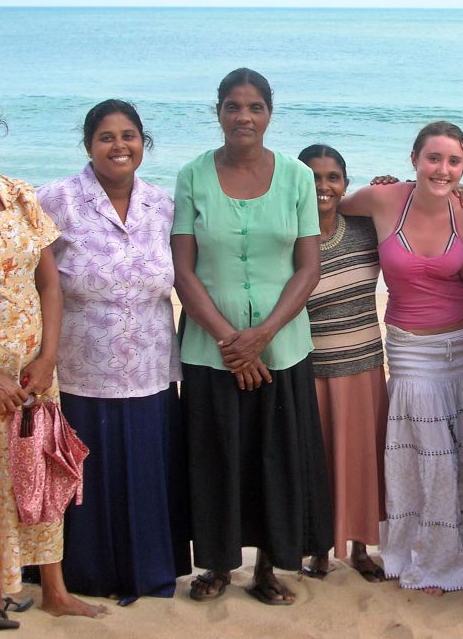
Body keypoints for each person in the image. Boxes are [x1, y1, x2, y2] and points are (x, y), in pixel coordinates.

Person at [0, 90, 105, 629]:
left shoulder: (23, 197)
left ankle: (52, 588)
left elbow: (49, 284)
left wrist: (48, 357)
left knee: (40, 471)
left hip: (32, 375)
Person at [171, 68, 332, 606]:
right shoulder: (192, 175)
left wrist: (261, 336)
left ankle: (266, 568)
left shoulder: (296, 177)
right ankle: (217, 566)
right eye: (233, 106)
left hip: (282, 349)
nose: (244, 116)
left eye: (255, 106)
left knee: (276, 459)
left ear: (270, 112)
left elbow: (307, 268)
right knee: (216, 457)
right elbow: (183, 270)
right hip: (209, 351)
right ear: (217, 111)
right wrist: (229, 341)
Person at [38, 99, 190, 603]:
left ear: (143, 144)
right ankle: (85, 578)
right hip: (80, 369)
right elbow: (21, 269)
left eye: (129, 136)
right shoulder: (54, 200)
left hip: (149, 369)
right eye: (107, 137)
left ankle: (146, 573)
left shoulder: (164, 206)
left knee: (146, 472)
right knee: (86, 479)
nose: (119, 146)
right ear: (88, 145)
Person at [339, 121, 463, 595]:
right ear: (414, 159)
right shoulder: (382, 200)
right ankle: (420, 557)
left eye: (454, 161)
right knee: (425, 460)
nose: (443, 170)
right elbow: (328, 211)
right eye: (434, 159)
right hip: (409, 349)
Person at [297, 144, 388, 583]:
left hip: (366, 364)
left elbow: (415, 210)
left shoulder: (366, 228)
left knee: (362, 461)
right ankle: (318, 548)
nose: (323, 186)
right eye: (313, 178)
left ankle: (359, 549)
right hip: (314, 370)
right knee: (321, 463)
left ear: (346, 184)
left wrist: (391, 186)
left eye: (333, 177)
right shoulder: (291, 237)